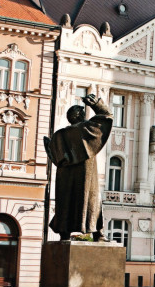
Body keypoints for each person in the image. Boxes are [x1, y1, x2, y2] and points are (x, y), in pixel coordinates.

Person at [45, 92, 113, 241]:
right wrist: (96, 105)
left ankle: (64, 234)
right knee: (92, 200)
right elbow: (107, 116)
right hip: (86, 174)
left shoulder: (59, 135)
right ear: (78, 117)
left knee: (66, 202)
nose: (85, 115)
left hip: (66, 178)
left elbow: (53, 154)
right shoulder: (86, 129)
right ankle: (98, 234)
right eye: (83, 112)